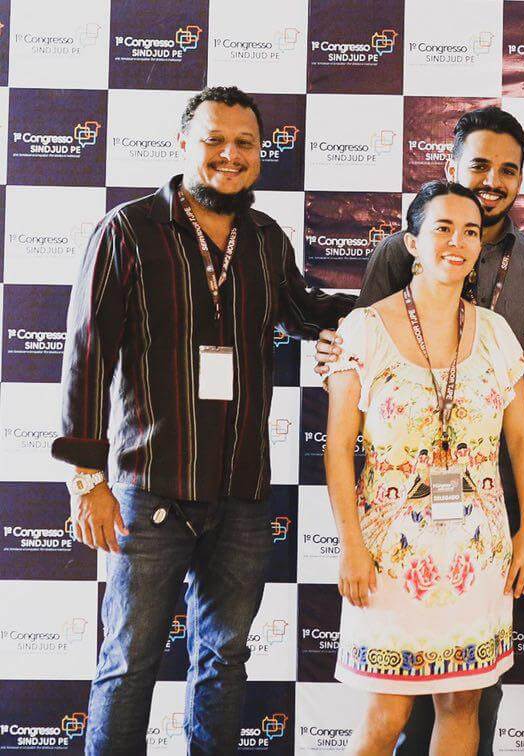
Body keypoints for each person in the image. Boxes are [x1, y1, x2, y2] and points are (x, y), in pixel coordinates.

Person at [53, 86, 355, 754]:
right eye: (214, 139)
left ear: (260, 153)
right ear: (183, 145)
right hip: (149, 489)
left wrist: (405, 301)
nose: (230, 154)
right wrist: (87, 481)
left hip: (242, 494)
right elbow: (86, 357)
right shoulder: (128, 230)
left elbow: (305, 313)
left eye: (244, 143)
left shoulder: (266, 240)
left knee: (225, 659)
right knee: (129, 662)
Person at [314, 106, 524, 755]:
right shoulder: (363, 330)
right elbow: (338, 449)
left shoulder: (498, 333)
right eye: (443, 229)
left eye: (470, 232)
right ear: (411, 242)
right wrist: (350, 546)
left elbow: (521, 439)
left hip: (480, 550)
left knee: (463, 705)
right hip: (389, 552)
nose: (457, 241)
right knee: (386, 716)